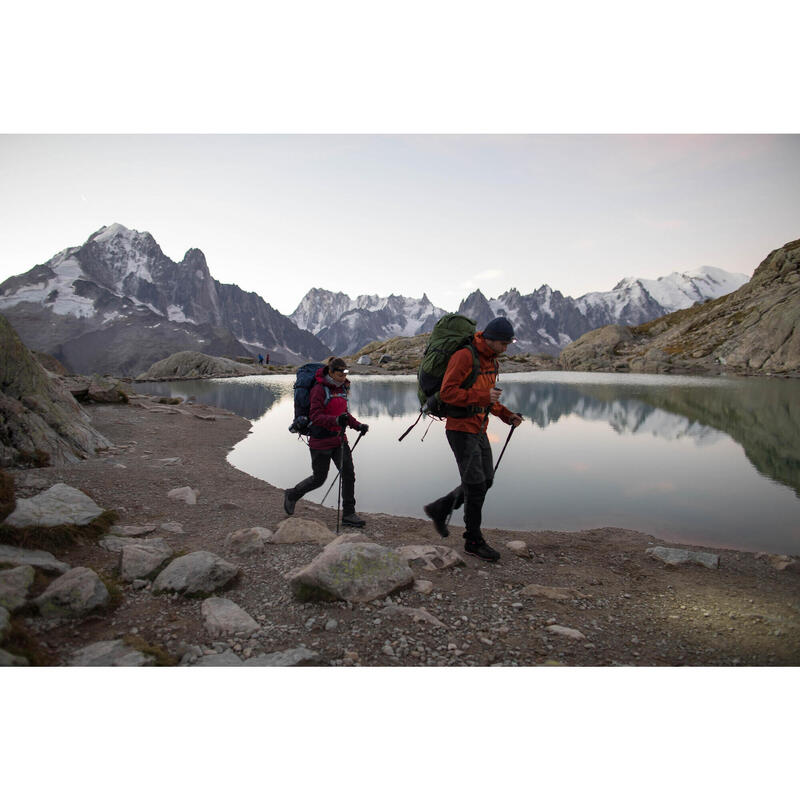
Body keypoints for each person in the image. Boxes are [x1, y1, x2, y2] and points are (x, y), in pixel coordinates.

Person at [423, 316, 523, 562]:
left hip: (479, 427)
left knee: (485, 480)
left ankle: (442, 507)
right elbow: (447, 393)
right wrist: (482, 397)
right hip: (460, 428)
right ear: (491, 339)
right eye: (505, 343)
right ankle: (473, 540)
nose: (507, 347)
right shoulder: (465, 356)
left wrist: (507, 415)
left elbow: (489, 400)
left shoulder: (491, 361)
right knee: (476, 484)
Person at [284, 357, 369, 527]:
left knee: (348, 475)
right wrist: (336, 421)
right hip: (321, 441)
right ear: (331, 372)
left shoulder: (343, 388)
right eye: (340, 373)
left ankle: (349, 514)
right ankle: (292, 494)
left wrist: (358, 425)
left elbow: (344, 413)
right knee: (319, 478)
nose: (344, 376)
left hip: (339, 440)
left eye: (346, 373)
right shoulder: (319, 389)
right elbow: (315, 416)